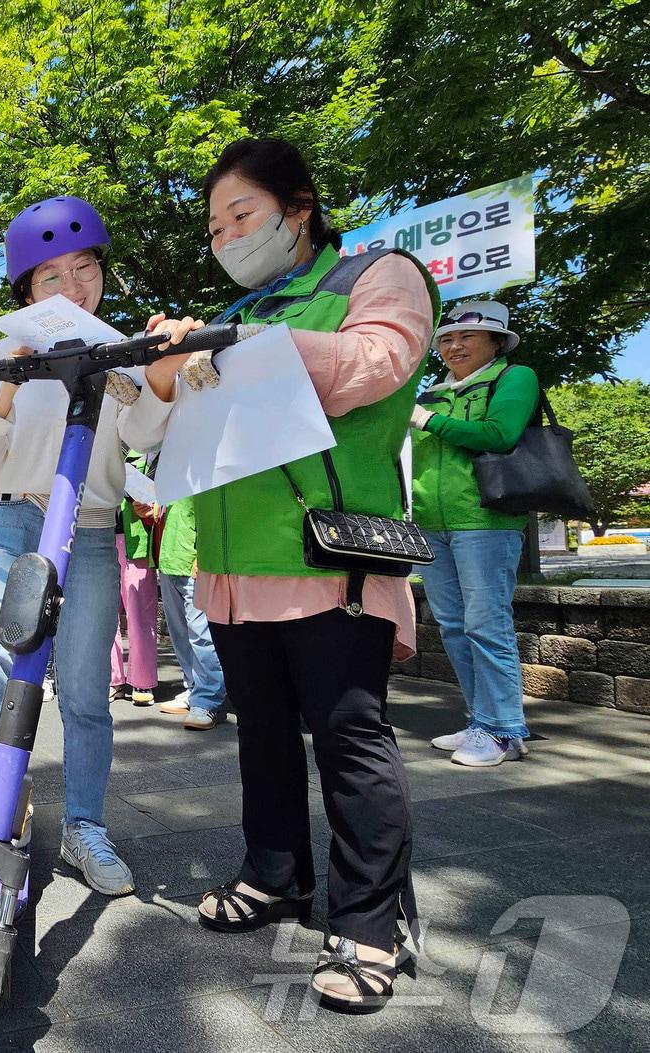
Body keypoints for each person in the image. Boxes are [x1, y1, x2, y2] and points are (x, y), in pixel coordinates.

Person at [145, 137, 439, 1011]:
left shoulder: (376, 276)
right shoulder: (234, 315)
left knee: (350, 743)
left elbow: (376, 365)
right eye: (214, 226)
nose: (226, 236)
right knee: (262, 738)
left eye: (241, 214)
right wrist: (161, 374)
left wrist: (242, 343)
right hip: (232, 570)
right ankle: (275, 872)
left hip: (331, 559)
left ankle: (371, 924)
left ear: (297, 207)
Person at [0, 196, 175, 896]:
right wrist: (5, 381)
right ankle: (4, 805)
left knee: (85, 689)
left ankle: (85, 826)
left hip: (87, 529)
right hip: (15, 518)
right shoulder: (7, 351)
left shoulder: (124, 349)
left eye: (85, 267)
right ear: (27, 291)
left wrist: (163, 380)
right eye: (52, 275)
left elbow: (144, 436)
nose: (74, 285)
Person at [411, 301, 537, 767]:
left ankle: (504, 730)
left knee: (487, 626)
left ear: (497, 342)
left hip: (486, 521)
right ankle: (481, 721)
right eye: (445, 339)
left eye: (468, 337)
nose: (454, 346)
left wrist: (430, 422)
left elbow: (500, 433)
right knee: (453, 626)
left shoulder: (514, 377)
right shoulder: (431, 392)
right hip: (431, 523)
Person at [153, 496, 228, 728]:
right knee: (180, 634)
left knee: (201, 635)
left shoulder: (200, 478)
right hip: (169, 561)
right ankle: (194, 689)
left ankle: (209, 701)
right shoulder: (172, 479)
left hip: (193, 565)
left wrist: (203, 555)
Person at [109, 450, 160, 706]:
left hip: (136, 546)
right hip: (105, 541)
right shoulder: (105, 457)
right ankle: (113, 680)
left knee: (139, 615)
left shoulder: (147, 458)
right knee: (107, 617)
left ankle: (142, 680)